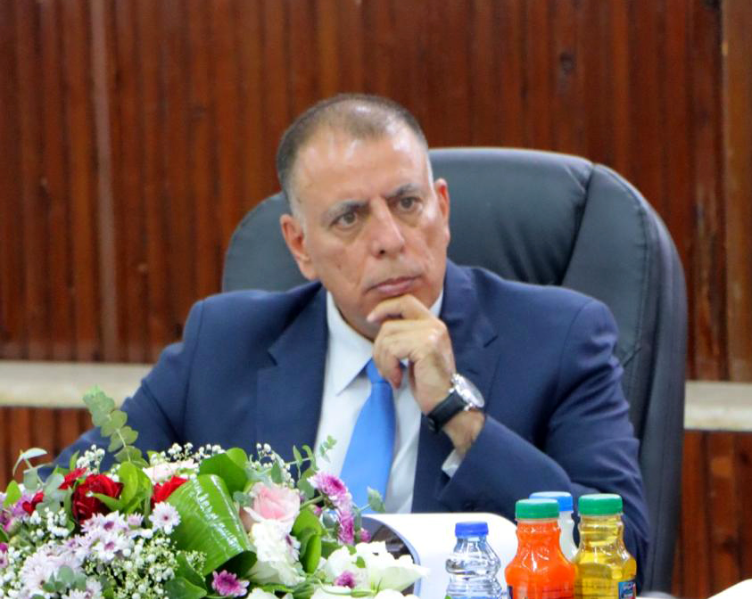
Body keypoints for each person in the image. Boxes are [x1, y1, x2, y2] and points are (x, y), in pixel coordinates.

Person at [55, 93, 649, 582]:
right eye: (349, 217)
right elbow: (63, 505)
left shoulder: (560, 337)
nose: (389, 238)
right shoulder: (223, 345)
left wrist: (458, 415)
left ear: (442, 209)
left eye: (407, 203)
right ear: (299, 246)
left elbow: (628, 560)